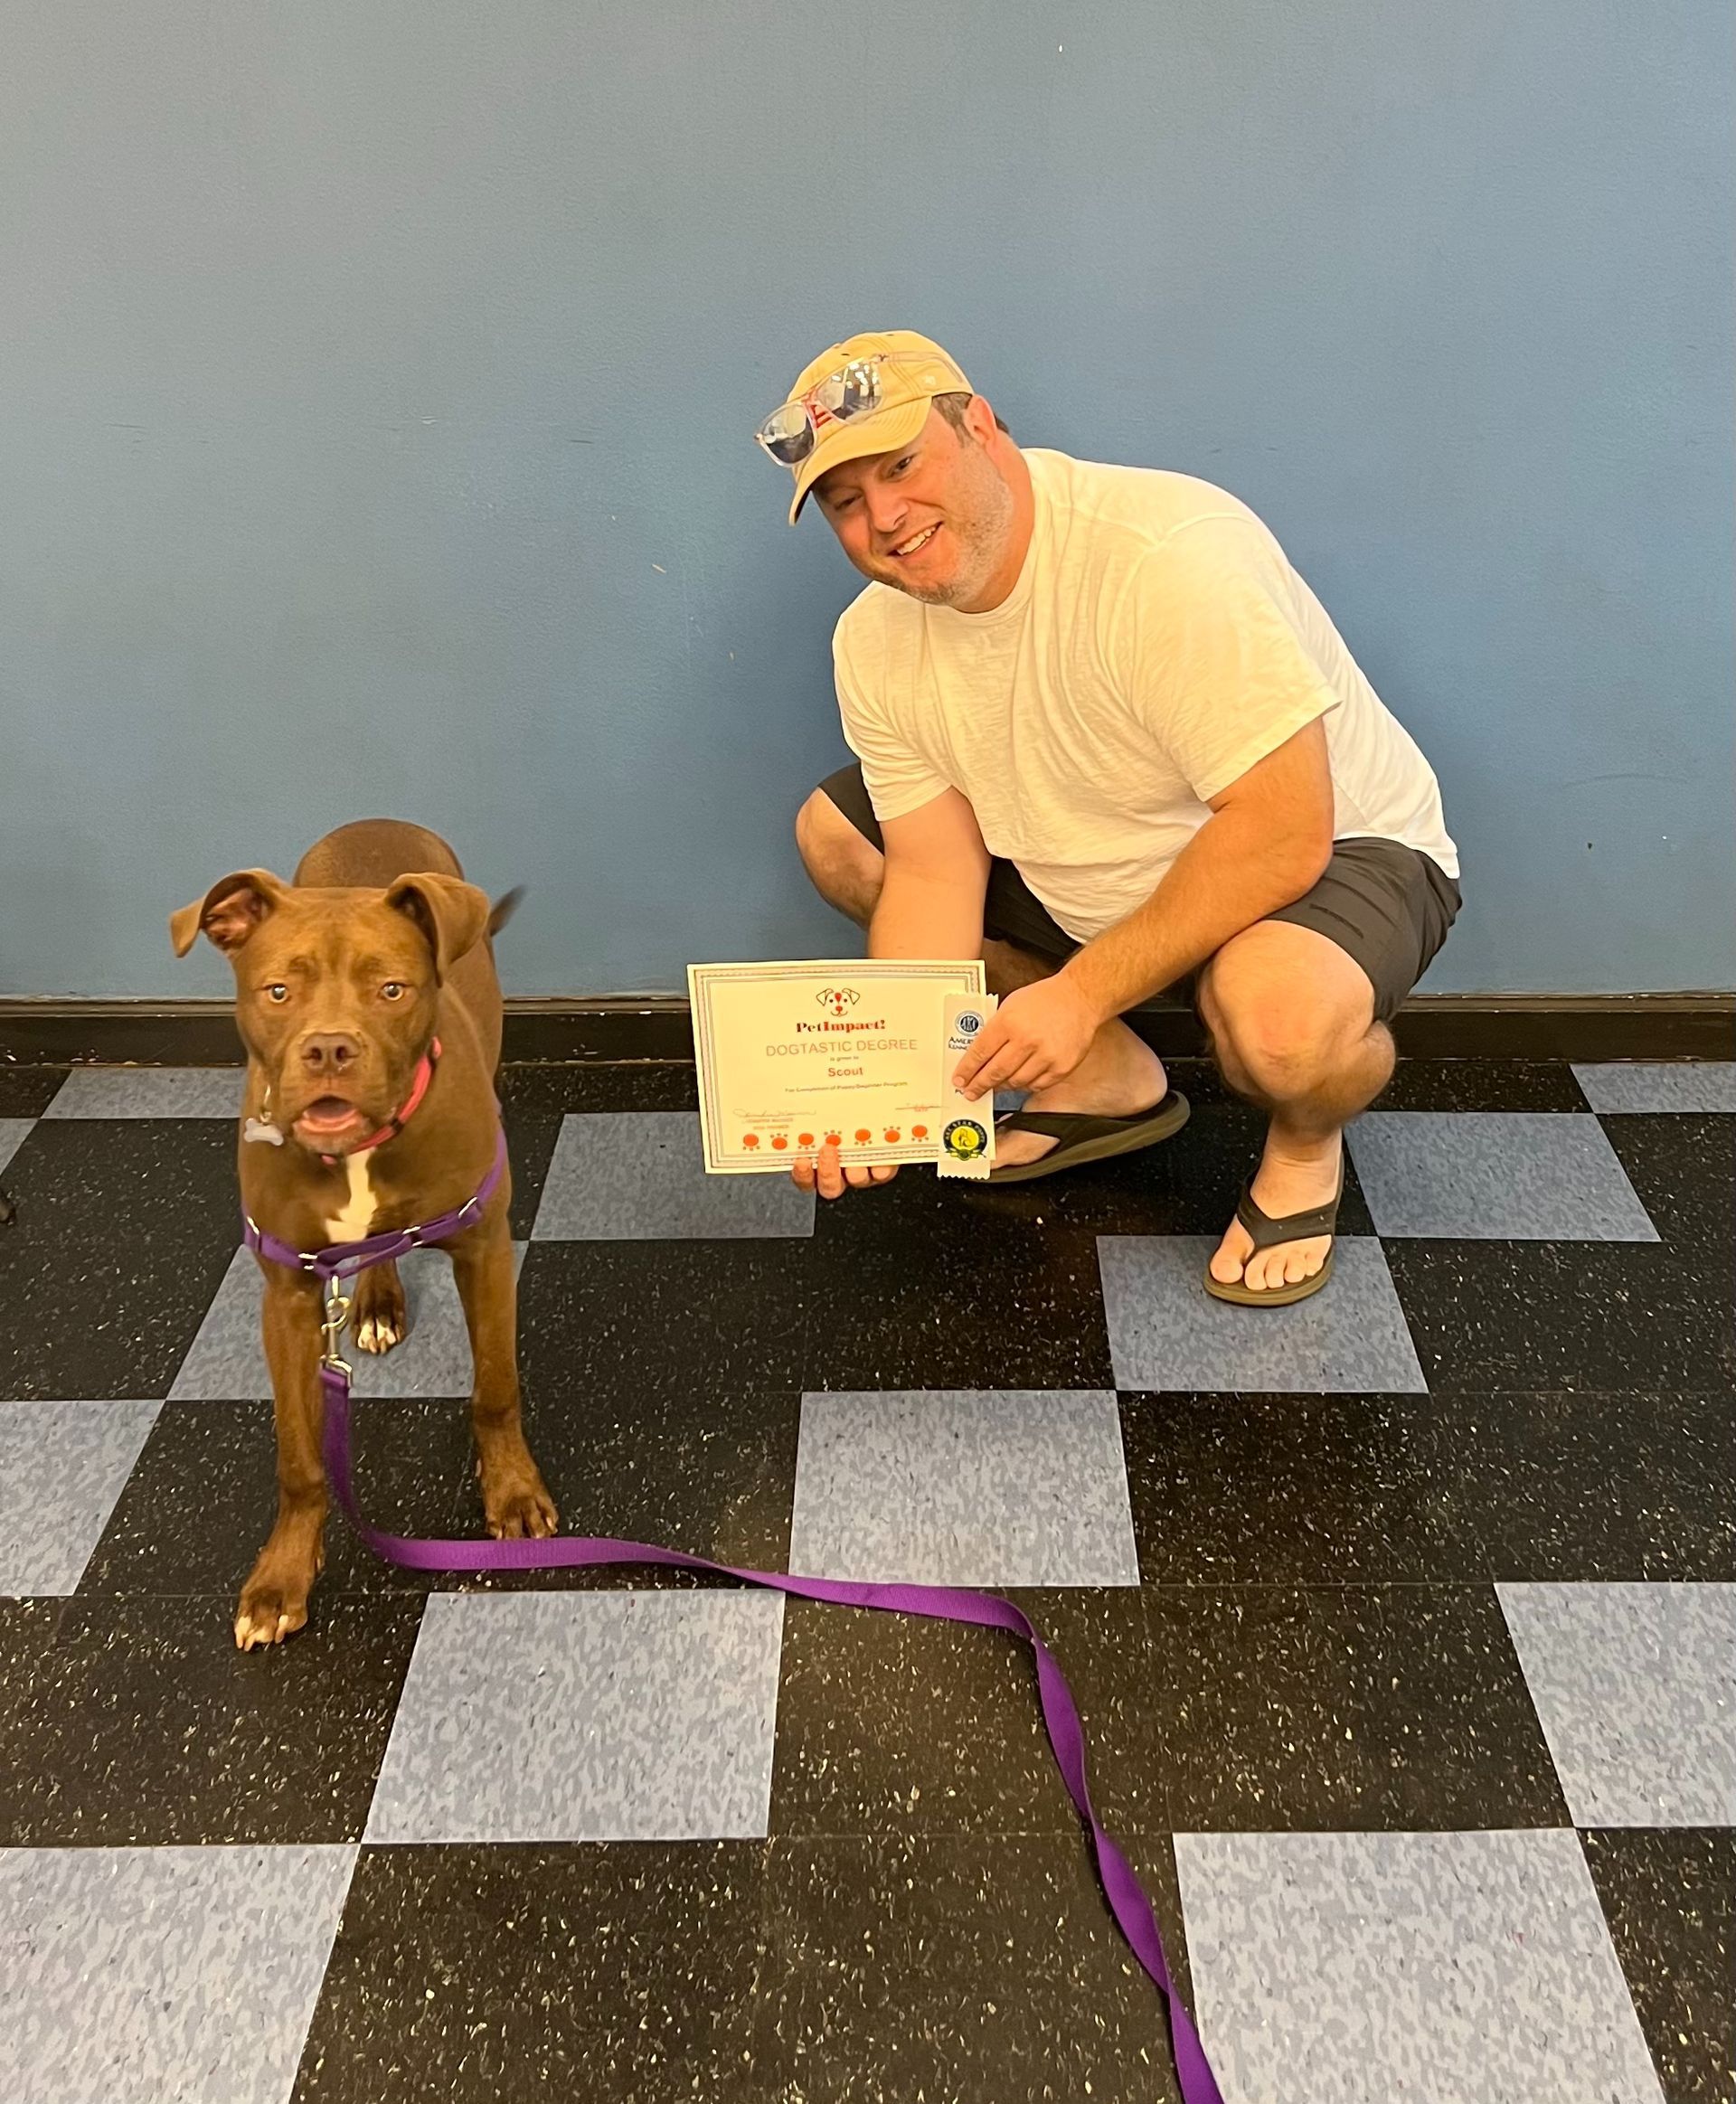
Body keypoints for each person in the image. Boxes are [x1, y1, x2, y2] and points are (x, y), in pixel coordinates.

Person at [758, 329, 1460, 1305]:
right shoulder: (874, 640)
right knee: (841, 836)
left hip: (1327, 849)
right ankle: (1104, 1079)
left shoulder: (1162, 558)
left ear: (983, 430)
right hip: (1087, 861)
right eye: (845, 499)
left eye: (903, 464)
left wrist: (1079, 992)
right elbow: (930, 869)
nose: (885, 515)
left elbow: (1280, 829)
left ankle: (1306, 1143)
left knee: (1284, 1032)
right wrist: (884, 1081)